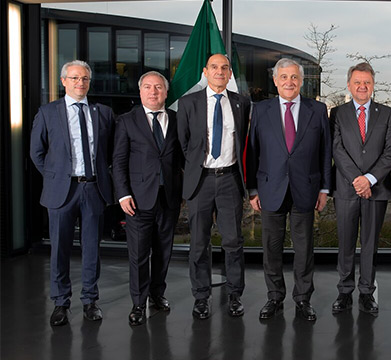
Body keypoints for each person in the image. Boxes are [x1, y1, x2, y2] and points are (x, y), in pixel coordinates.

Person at [246, 58, 332, 322]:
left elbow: (325, 150)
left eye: (294, 77)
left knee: (304, 249)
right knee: (271, 249)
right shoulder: (261, 110)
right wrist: (252, 190)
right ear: (275, 80)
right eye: (284, 77)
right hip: (270, 189)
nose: (289, 82)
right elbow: (252, 152)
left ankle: (303, 299)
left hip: (305, 188)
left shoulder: (317, 109)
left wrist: (325, 188)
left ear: (301, 81)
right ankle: (274, 298)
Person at [30, 60, 115, 326]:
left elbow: (111, 151)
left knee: (92, 249)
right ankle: (60, 303)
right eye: (75, 78)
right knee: (60, 250)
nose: (81, 83)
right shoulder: (47, 112)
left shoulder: (102, 113)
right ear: (63, 81)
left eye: (85, 79)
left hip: (93, 189)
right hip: (61, 192)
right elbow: (37, 152)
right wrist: (56, 177)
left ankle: (90, 300)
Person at [177, 53, 251, 319]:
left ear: (230, 74)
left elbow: (244, 144)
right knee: (199, 242)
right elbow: (183, 144)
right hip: (201, 180)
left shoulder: (242, 103)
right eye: (214, 67)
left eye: (225, 68)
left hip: (230, 179)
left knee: (233, 241)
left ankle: (234, 295)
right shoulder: (188, 103)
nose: (220, 71)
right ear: (205, 72)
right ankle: (201, 296)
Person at [113, 71, 184, 326]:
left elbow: (182, 158)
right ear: (140, 91)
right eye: (147, 87)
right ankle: (138, 303)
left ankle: (157, 295)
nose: (153, 92)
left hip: (169, 198)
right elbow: (119, 161)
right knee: (139, 254)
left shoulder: (177, 119)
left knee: (164, 252)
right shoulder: (126, 121)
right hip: (137, 201)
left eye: (158, 87)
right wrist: (123, 194)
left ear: (166, 92)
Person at [329, 62, 391, 314]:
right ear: (349, 85)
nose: (362, 86)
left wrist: (369, 179)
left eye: (367, 82)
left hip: (376, 190)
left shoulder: (387, 114)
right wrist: (358, 179)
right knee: (346, 242)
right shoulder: (337, 113)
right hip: (346, 189)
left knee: (370, 243)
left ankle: (367, 292)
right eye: (357, 82)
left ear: (373, 85)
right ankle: (344, 292)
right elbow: (337, 148)